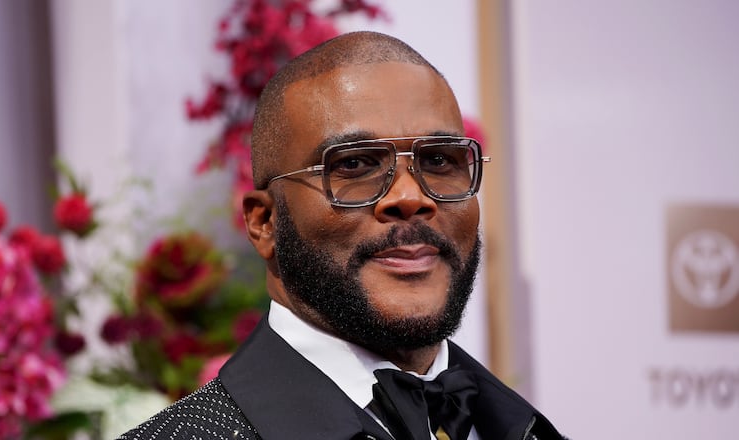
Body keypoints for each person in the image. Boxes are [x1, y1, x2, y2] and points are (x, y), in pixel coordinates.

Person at [118, 31, 565, 440]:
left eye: (439, 160)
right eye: (353, 164)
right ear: (264, 222)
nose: (411, 197)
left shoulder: (524, 429)